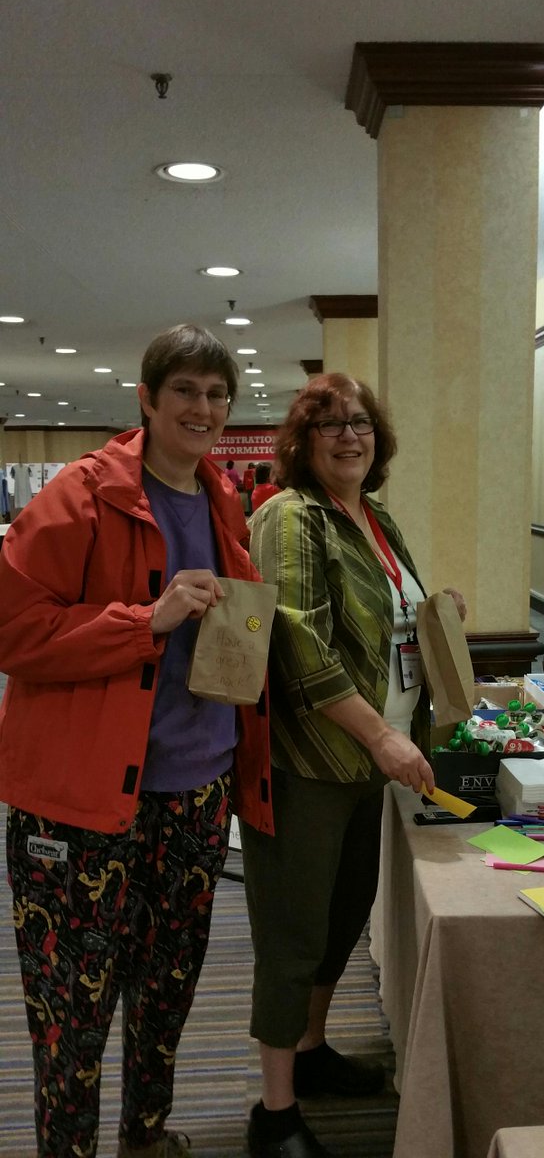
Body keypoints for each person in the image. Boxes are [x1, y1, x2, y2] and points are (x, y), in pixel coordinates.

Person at [0, 323, 273, 1158]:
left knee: (165, 994)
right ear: (147, 400)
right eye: (185, 391)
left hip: (194, 792)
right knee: (72, 1017)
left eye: (217, 394)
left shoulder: (222, 498)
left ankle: (145, 1136)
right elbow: (13, 632)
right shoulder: (80, 497)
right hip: (79, 806)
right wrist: (141, 622)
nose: (203, 408)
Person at [242, 373, 466, 1158]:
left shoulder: (372, 516)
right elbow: (295, 640)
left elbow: (385, 618)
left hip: (373, 755)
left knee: (342, 919)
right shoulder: (288, 515)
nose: (349, 436)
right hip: (312, 761)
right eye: (329, 424)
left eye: (361, 423)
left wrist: (433, 611)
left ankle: (309, 1054)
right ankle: (273, 1112)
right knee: (292, 931)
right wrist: (378, 737)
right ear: (301, 441)